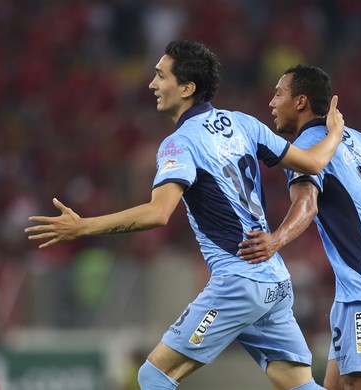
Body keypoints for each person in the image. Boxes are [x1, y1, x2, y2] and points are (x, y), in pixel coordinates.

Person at [25, 40, 344, 389]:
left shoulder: (180, 144)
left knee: (153, 375)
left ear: (188, 88)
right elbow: (314, 162)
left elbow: (158, 213)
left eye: (161, 76)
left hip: (238, 283)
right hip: (275, 282)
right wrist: (336, 132)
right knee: (297, 384)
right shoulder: (243, 123)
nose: (152, 84)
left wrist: (83, 227)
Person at [237, 64, 361, 389]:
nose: (271, 103)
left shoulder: (305, 151)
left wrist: (274, 241)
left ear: (301, 101)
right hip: (358, 289)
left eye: (279, 93)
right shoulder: (356, 139)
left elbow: (307, 205)